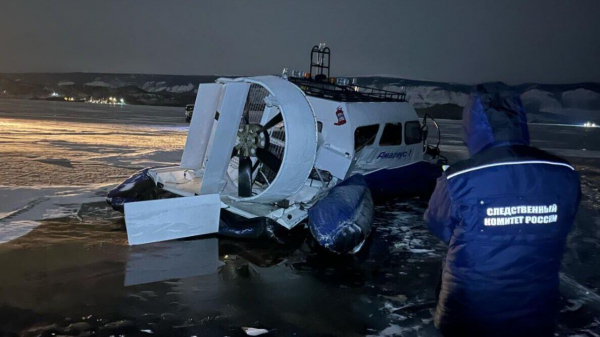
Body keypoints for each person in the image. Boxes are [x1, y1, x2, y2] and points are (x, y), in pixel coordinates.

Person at [424, 83, 581, 337]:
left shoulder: (460, 178)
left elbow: (438, 224)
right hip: (536, 313)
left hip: (470, 314)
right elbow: (565, 222)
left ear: (472, 124)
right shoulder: (564, 173)